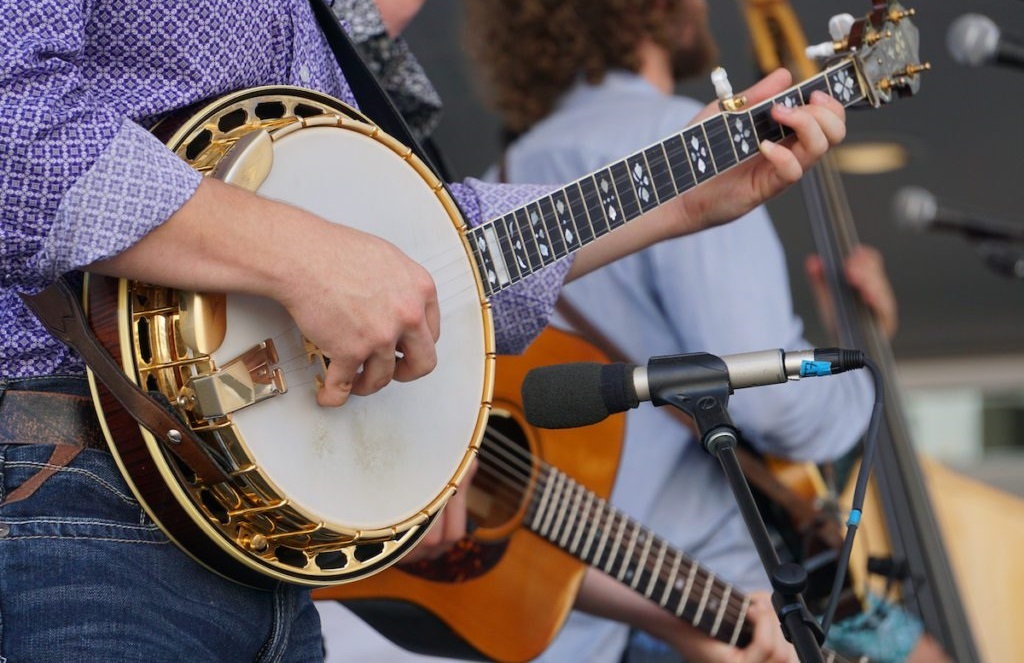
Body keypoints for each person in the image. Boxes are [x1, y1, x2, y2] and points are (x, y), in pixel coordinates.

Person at [0, 0, 845, 659]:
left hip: (259, 558)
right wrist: (306, 259)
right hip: (78, 490)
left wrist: (682, 196)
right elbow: (15, 135)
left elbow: (430, 254)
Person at [463, 1, 946, 662]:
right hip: (726, 605)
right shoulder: (685, 146)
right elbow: (778, 405)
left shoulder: (495, 189)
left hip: (573, 616)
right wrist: (860, 367)